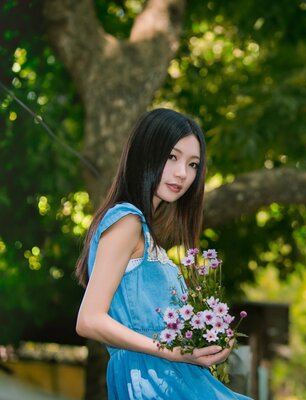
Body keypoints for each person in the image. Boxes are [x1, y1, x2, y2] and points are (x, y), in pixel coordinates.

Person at [75, 108, 251, 399]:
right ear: (145, 153)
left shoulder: (147, 234)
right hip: (153, 380)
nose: (183, 173)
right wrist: (173, 352)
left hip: (174, 379)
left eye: (193, 164)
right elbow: (89, 320)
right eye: (172, 157)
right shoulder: (127, 221)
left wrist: (211, 340)